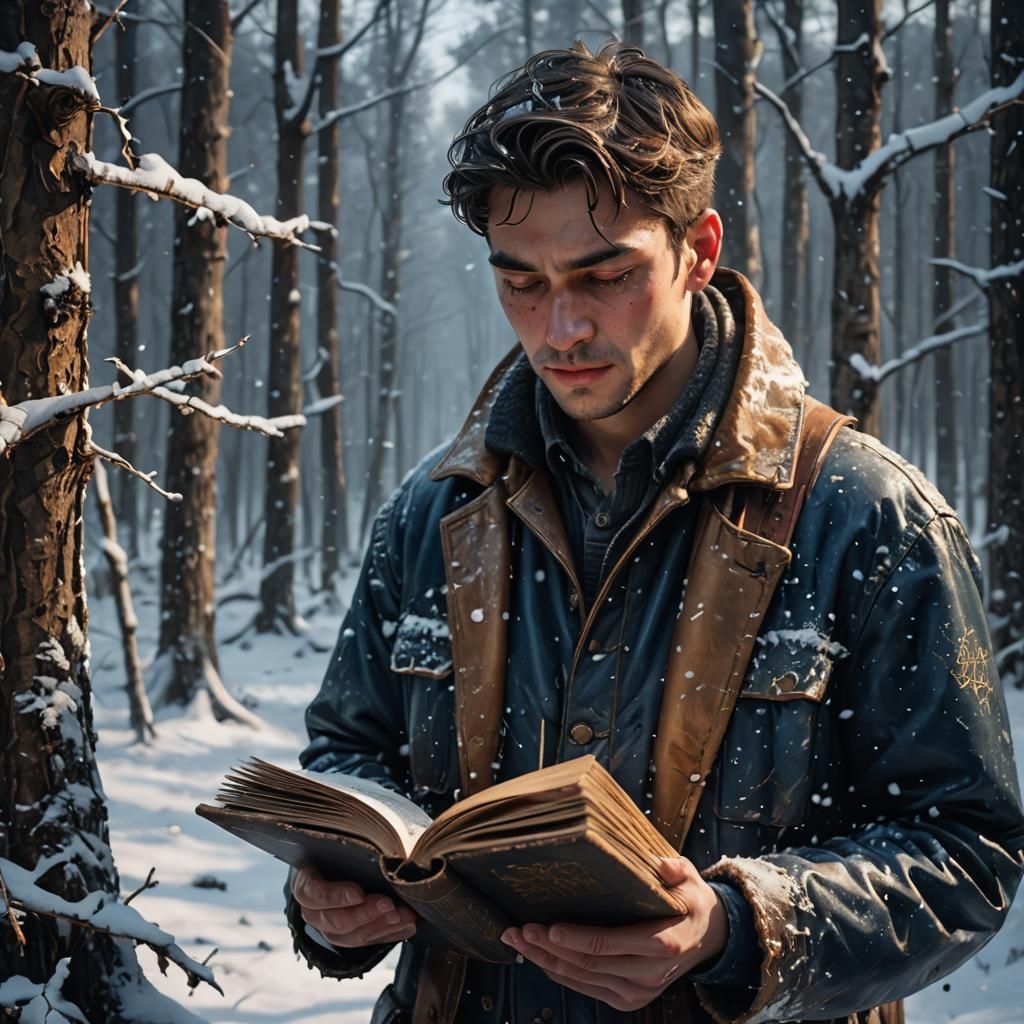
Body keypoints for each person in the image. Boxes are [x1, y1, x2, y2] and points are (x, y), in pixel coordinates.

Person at [285, 41, 1024, 1024]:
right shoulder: (434, 511)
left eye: (603, 276)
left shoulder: (865, 513)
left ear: (700, 249)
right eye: (523, 282)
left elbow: (968, 850)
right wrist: (332, 893)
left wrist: (738, 926)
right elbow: (347, 754)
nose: (559, 329)